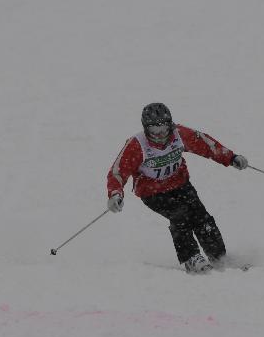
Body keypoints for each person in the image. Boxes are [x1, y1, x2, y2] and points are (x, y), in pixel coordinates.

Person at [106, 102, 248, 273]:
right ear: (146, 129)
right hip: (153, 192)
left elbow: (206, 145)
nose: (160, 135)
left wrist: (231, 158)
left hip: (180, 184)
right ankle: (191, 258)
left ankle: (218, 256)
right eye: (154, 130)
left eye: (164, 129)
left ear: (170, 125)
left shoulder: (179, 135)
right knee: (180, 215)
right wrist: (115, 194)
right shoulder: (137, 144)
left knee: (201, 216)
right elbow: (118, 172)